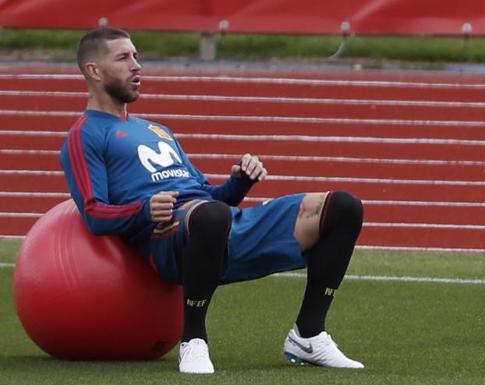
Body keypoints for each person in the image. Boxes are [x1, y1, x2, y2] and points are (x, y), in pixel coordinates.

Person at [60, 27, 365, 374]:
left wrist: (239, 182)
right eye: (123, 58)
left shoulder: (156, 129)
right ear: (94, 71)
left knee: (342, 207)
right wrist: (143, 211)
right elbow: (94, 213)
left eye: (137, 56)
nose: (137, 65)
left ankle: (309, 334)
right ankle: (194, 339)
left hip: (213, 222)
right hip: (167, 239)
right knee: (210, 217)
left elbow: (209, 197)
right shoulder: (84, 134)